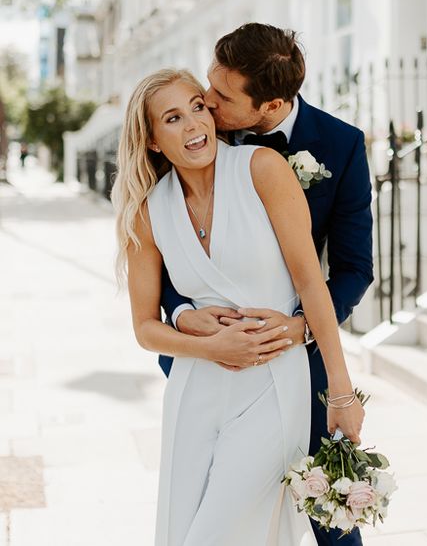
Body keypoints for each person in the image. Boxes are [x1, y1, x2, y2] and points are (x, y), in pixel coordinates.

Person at [112, 68, 365, 545]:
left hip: (273, 383)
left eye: (198, 107)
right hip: (194, 390)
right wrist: (209, 347)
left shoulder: (260, 169)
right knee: (191, 527)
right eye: (173, 118)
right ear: (150, 141)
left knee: (212, 535)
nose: (193, 125)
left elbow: (313, 286)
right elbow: (145, 328)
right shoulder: (147, 211)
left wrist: (341, 391)